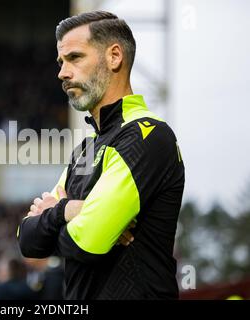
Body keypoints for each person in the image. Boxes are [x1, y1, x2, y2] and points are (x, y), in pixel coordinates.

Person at [17, 11, 185, 299]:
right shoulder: (86, 149)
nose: (62, 72)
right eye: (61, 62)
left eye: (75, 58)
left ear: (114, 56)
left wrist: (57, 212)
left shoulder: (148, 135)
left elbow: (88, 242)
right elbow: (28, 241)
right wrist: (72, 210)